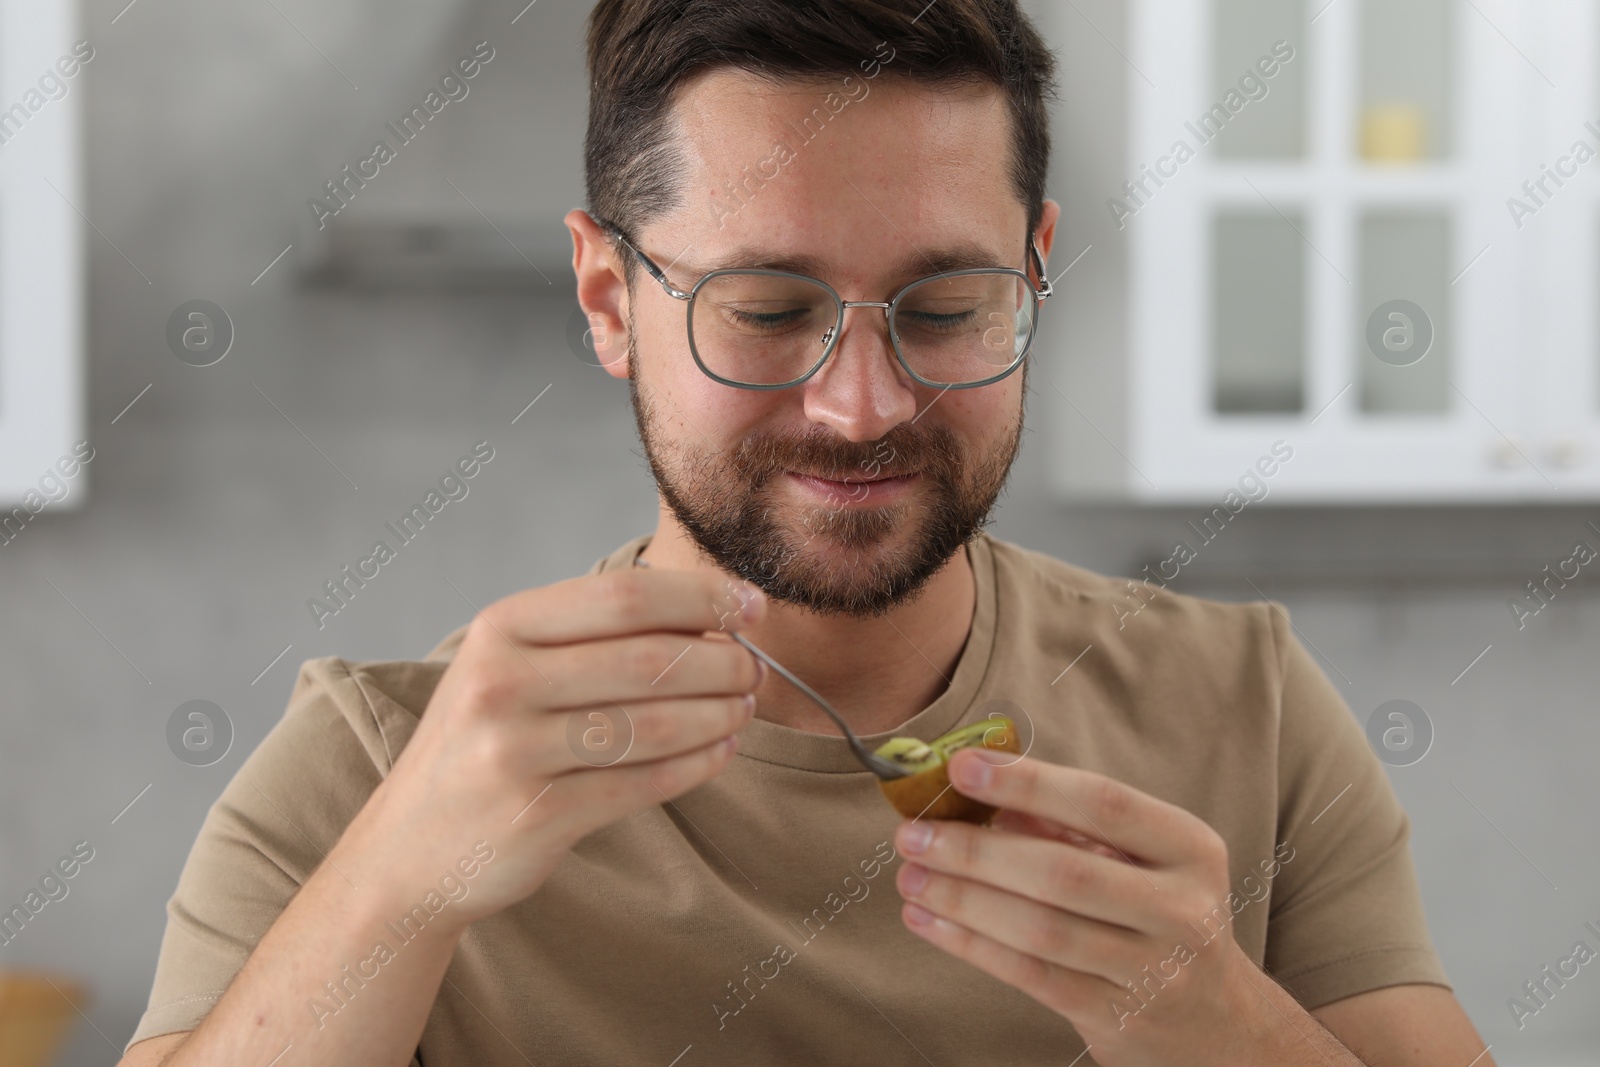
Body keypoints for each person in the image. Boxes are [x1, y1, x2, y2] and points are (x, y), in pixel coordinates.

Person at [121, 1, 1495, 1064]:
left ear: (1035, 271)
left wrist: (1211, 1015)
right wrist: (398, 893)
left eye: (948, 305)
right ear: (609, 298)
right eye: (768, 308)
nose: (860, 407)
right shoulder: (378, 766)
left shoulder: (1243, 709)